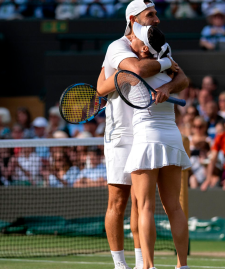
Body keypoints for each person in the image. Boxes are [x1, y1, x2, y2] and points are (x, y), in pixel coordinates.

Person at [95, 1, 189, 268]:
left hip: (147, 131)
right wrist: (164, 64)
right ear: (134, 20)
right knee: (119, 199)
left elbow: (182, 79)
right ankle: (119, 264)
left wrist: (168, 85)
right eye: (151, 15)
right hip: (121, 131)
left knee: (141, 203)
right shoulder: (117, 47)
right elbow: (130, 73)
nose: (157, 19)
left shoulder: (160, 46)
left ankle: (140, 264)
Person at [119, 23, 190, 269]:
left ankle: (148, 266)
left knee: (145, 206)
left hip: (147, 138)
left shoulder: (134, 68)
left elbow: (107, 85)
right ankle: (183, 265)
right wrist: (168, 81)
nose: (130, 42)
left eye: (135, 40)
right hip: (171, 136)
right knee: (174, 206)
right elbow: (183, 77)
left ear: (143, 46)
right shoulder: (169, 66)